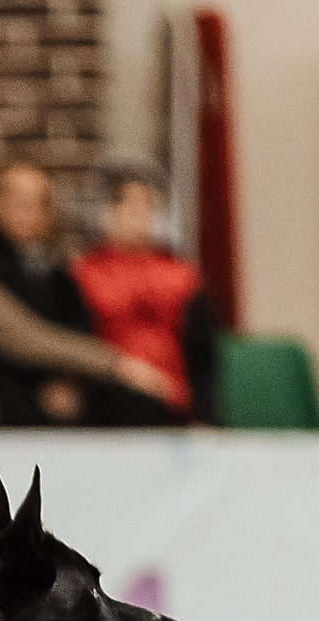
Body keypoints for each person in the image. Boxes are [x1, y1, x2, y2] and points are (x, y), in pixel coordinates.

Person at [0, 160, 179, 427]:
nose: (28, 210)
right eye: (16, 198)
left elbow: (73, 325)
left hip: (45, 396)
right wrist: (116, 365)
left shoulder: (50, 270)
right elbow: (20, 336)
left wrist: (71, 380)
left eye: (38, 201)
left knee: (136, 406)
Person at [70, 162, 219, 425]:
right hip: (108, 398)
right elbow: (75, 343)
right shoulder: (83, 273)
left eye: (148, 206)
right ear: (107, 212)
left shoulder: (182, 275)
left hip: (174, 403)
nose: (140, 215)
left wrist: (205, 416)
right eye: (130, 206)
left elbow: (203, 354)